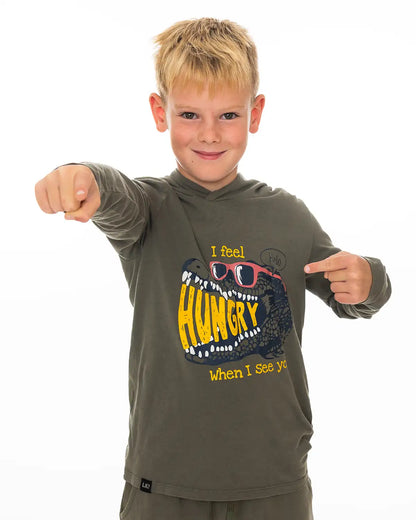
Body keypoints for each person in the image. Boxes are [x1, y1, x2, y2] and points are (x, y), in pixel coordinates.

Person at [34, 17, 391, 520]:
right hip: (164, 482)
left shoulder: (288, 215)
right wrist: (85, 178)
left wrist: (370, 279)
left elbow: (348, 292)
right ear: (159, 112)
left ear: (255, 113)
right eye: (189, 114)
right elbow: (116, 197)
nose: (208, 133)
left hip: (275, 482)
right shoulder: (148, 209)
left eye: (227, 114)